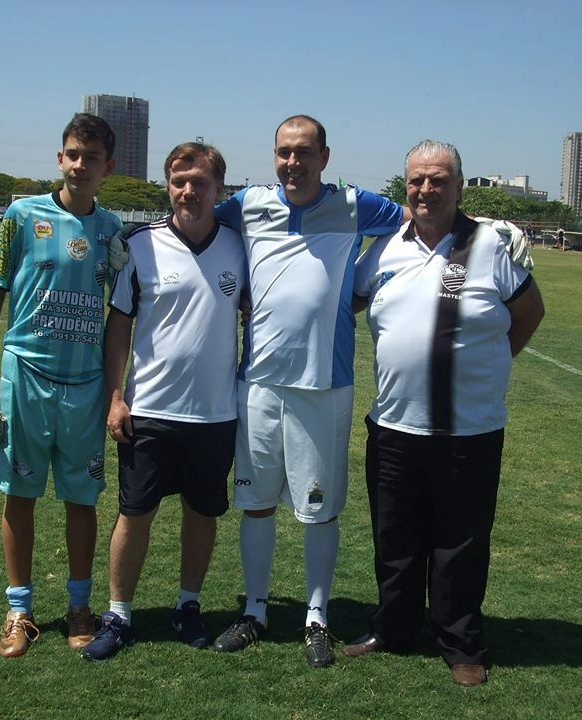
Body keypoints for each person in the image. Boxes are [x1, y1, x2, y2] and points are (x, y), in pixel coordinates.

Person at [211, 115, 409, 668]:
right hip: (257, 384)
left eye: (303, 153)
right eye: (283, 152)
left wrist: (362, 284)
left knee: (318, 510)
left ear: (324, 157)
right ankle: (255, 610)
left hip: (324, 386)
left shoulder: (354, 205)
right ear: (273, 156)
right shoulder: (248, 204)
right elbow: (201, 227)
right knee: (254, 504)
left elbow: (411, 222)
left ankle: (316, 617)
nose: (292, 163)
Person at [346, 140, 544, 686]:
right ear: (404, 186)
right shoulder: (383, 248)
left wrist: (491, 367)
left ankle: (461, 644)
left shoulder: (490, 246)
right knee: (395, 538)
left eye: (438, 180)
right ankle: (392, 628)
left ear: (459, 186)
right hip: (392, 424)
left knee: (459, 541)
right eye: (416, 181)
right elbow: (347, 301)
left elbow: (529, 313)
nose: (426, 190)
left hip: (469, 430)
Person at [81, 142, 246, 660]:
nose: (187, 191)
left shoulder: (240, 248)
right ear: (168, 186)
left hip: (215, 413)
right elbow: (119, 327)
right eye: (178, 181)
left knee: (203, 513)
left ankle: (188, 606)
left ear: (219, 189)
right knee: (135, 513)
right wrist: (115, 397)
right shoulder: (141, 246)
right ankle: (119, 614)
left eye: (199, 182)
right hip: (148, 410)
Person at [0, 113, 122, 658]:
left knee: (82, 499)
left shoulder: (112, 230)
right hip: (26, 374)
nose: (81, 165)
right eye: (73, 154)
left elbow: (124, 313)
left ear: (109, 167)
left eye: (92, 158)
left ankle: (81, 605)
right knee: (21, 493)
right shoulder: (22, 214)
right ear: (60, 158)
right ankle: (19, 609)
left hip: (85, 384)